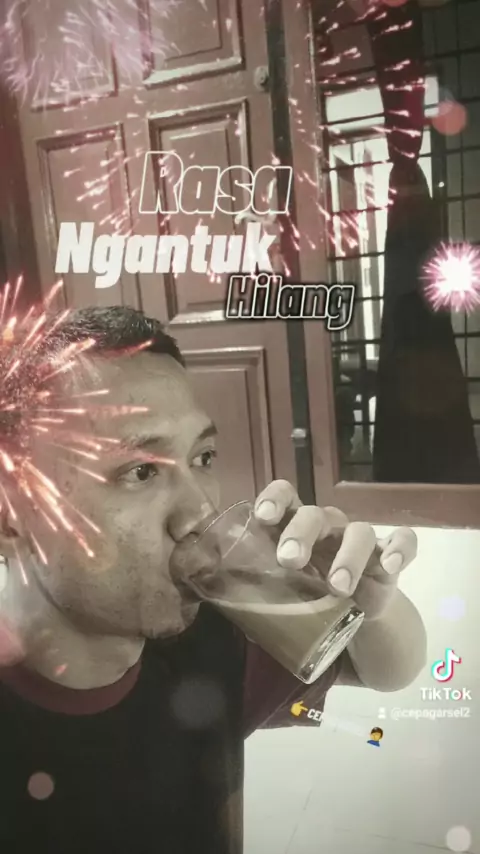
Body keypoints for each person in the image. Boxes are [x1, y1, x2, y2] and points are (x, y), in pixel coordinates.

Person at [0, 306, 426, 854]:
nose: (200, 510)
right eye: (140, 471)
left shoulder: (207, 643)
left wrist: (371, 603)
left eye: (202, 457)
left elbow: (387, 670)